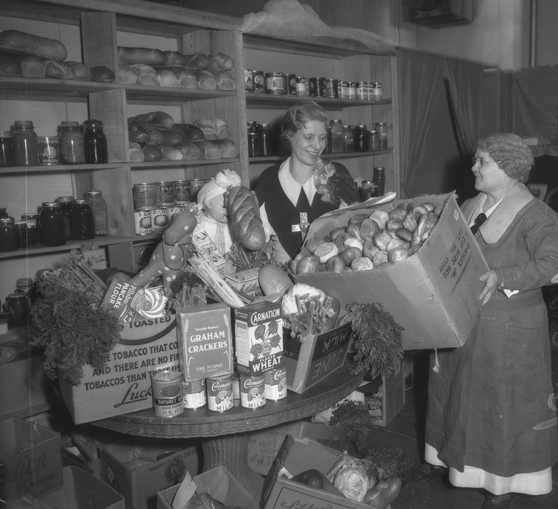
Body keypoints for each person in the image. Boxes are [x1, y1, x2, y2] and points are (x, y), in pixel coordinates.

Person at [416, 133, 558, 509]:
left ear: (509, 168)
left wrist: (503, 276)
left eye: (483, 162)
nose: (474, 167)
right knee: (456, 397)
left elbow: (553, 265)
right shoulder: (472, 204)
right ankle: (448, 460)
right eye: (476, 160)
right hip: (464, 323)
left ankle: (502, 483)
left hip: (510, 333)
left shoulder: (537, 216)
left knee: (502, 406)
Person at [255, 101, 361, 262]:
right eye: (308, 137)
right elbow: (257, 244)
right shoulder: (268, 180)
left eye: (322, 138)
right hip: (282, 280)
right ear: (289, 136)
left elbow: (357, 231)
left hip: (330, 277)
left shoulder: (338, 176)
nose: (317, 146)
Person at [193, 169, 241, 274]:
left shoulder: (233, 224)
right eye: (224, 206)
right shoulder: (198, 224)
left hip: (232, 268)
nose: (229, 210)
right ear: (208, 204)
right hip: (206, 271)